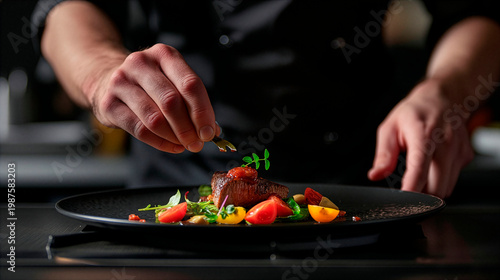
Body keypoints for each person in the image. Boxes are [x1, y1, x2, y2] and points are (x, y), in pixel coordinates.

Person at [33, 0, 500, 198]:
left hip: (361, 190)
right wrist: (98, 71)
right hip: (175, 200)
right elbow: (63, 6)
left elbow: (476, 13)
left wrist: (446, 88)